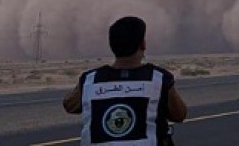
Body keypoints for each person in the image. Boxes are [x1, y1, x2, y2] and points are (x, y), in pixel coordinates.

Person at [63, 16, 187, 145]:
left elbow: (69, 105)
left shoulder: (90, 80)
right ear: (143, 45)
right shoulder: (159, 78)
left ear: (112, 46)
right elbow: (179, 114)